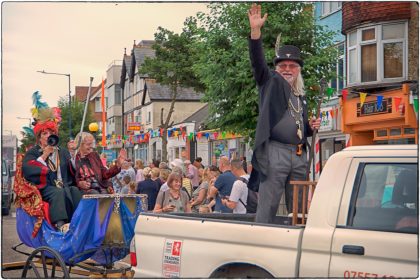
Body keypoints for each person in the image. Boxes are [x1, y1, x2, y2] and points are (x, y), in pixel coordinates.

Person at [247, 4, 321, 223]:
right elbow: (258, 63)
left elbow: (299, 128)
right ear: (276, 69)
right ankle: (261, 240)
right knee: (268, 204)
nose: (287, 69)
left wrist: (309, 127)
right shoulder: (271, 82)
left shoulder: (301, 95)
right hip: (275, 152)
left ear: (298, 70)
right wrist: (255, 33)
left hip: (299, 154)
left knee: (299, 208)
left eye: (292, 66)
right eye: (283, 66)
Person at [22, 101, 82, 232]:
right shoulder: (33, 151)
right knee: (58, 192)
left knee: (74, 191)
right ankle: (60, 224)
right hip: (45, 188)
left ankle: (79, 221)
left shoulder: (62, 151)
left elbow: (74, 170)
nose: (48, 136)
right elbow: (28, 170)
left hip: (64, 185)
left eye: (51, 133)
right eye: (45, 134)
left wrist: (72, 153)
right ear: (39, 138)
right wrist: (44, 155)